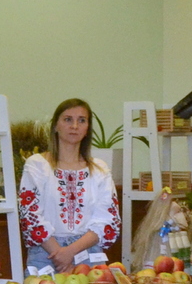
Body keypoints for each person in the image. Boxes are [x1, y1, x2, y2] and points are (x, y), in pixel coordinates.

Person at [18, 98, 121, 273]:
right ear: (55, 126)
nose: (74, 126)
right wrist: (60, 254)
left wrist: (70, 252)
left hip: (88, 254)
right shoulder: (37, 165)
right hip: (46, 254)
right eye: (68, 119)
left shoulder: (100, 169)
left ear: (87, 128)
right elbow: (30, 215)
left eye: (81, 120)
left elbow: (108, 220)